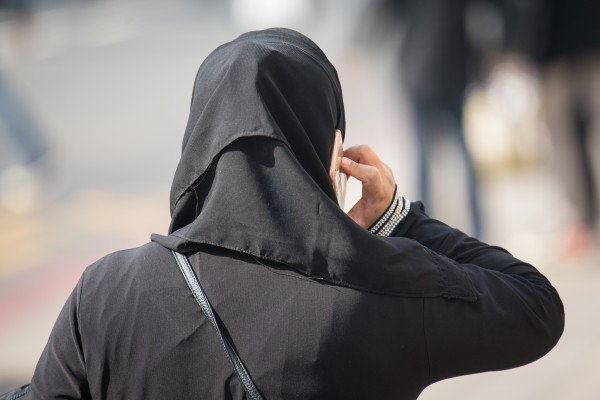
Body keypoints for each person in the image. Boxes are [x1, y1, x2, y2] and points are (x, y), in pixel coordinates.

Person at [26, 28, 564, 399]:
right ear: (331, 151)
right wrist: (396, 219)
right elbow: (535, 306)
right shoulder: (376, 291)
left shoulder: (107, 294)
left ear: (199, 142)